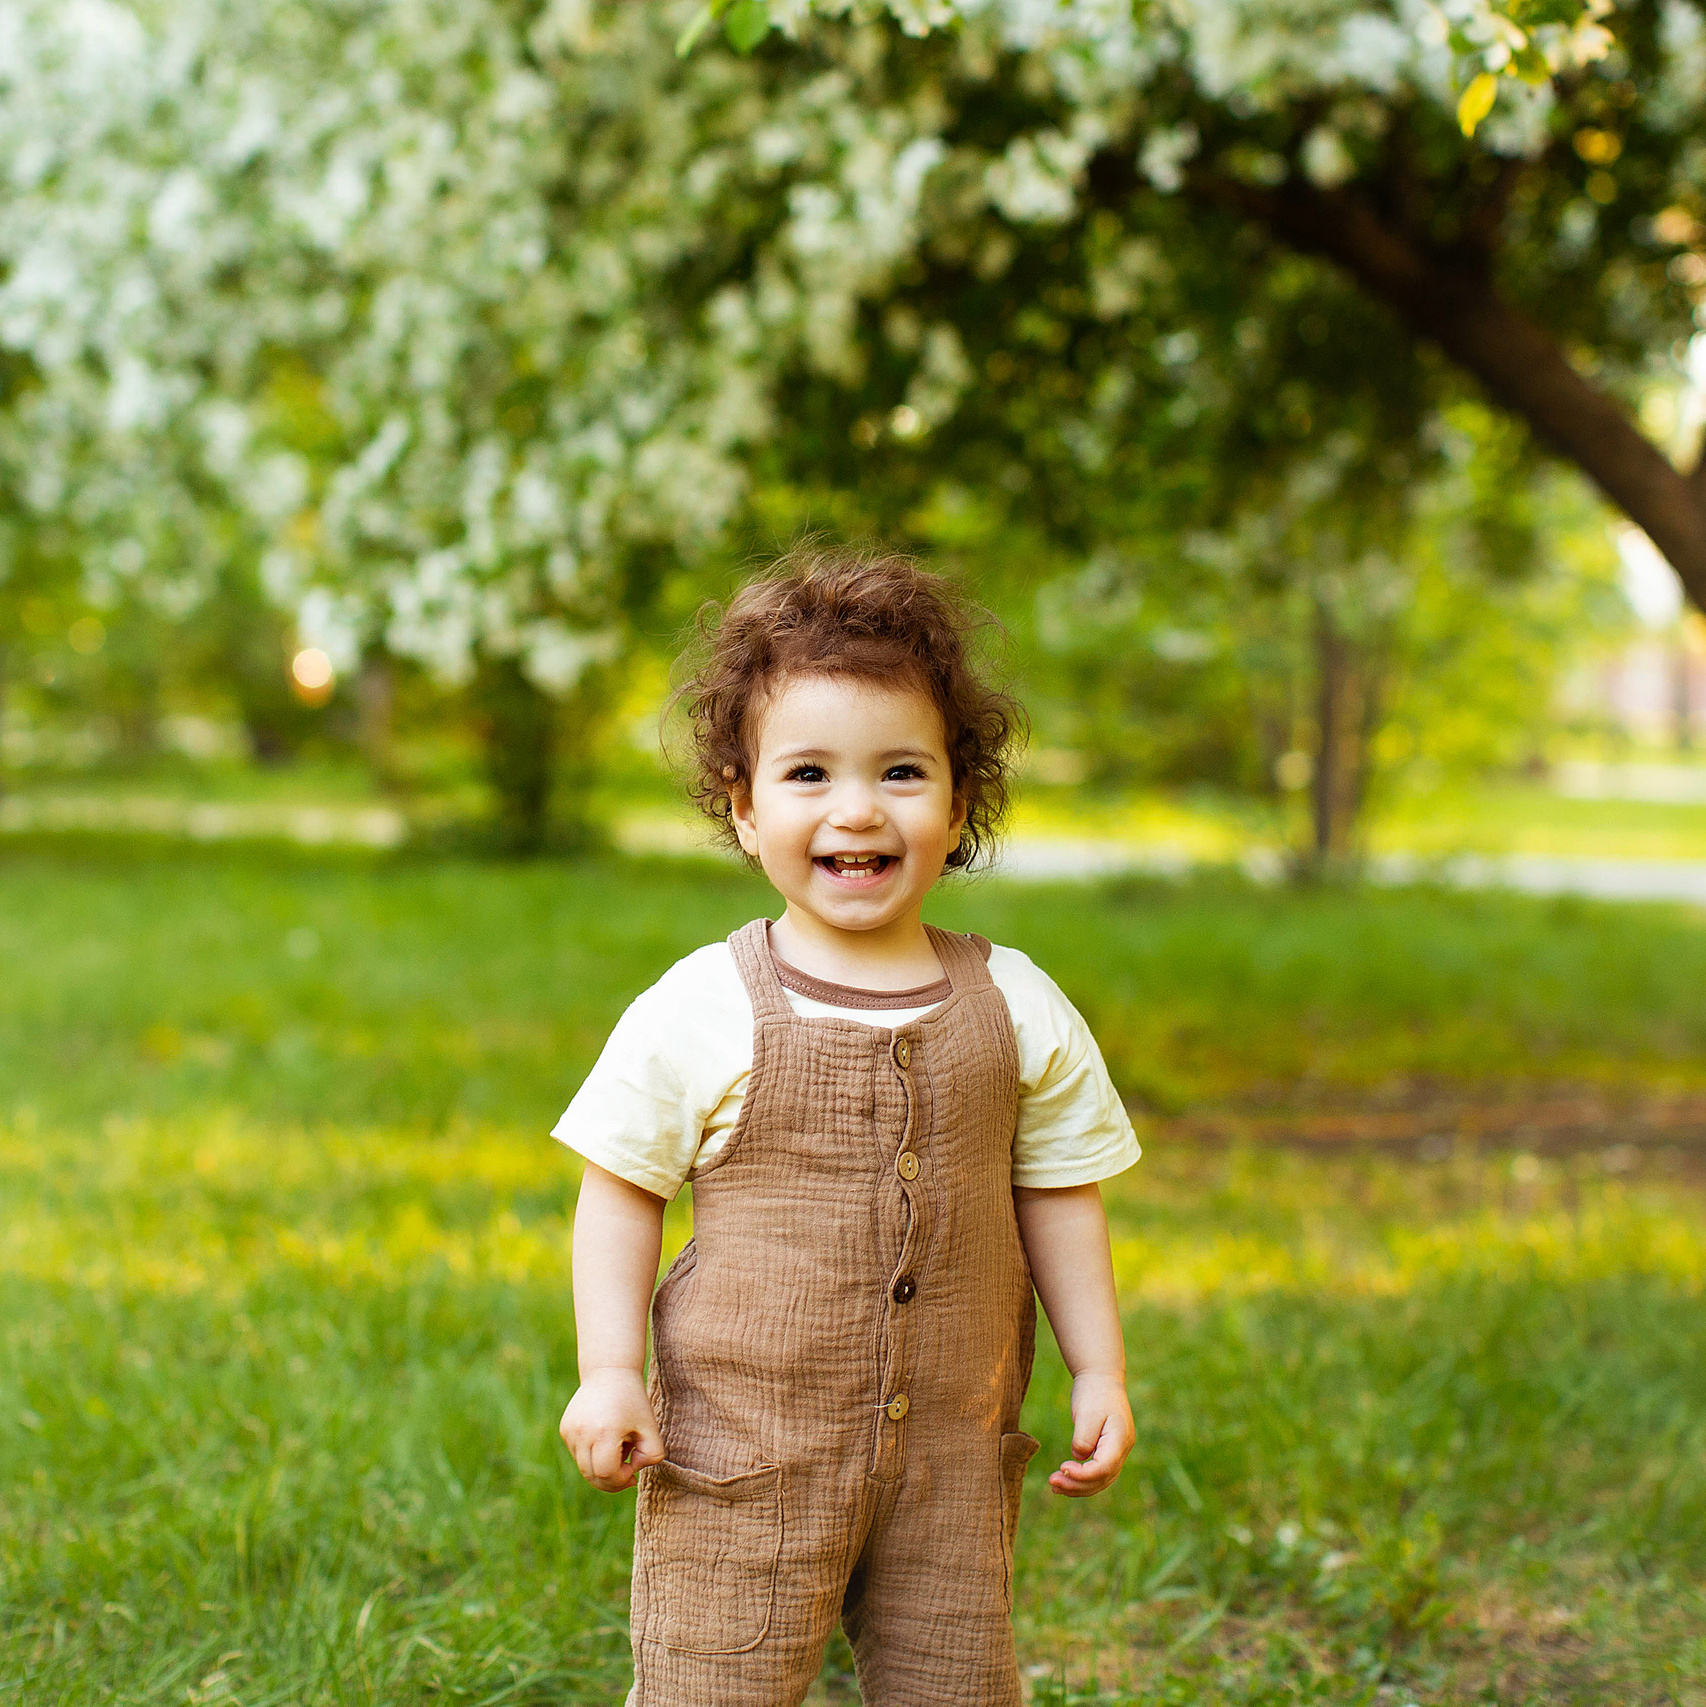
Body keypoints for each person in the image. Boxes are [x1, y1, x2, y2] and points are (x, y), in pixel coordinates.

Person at [555, 545, 1140, 1706]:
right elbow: (620, 1187)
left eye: (902, 772)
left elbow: (1057, 1193)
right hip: (742, 1456)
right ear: (744, 802)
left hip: (951, 1462)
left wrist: (1098, 1367)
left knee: (958, 1686)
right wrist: (609, 1372)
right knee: (711, 1684)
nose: (857, 809)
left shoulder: (1016, 1003)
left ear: (959, 802)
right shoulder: (701, 1006)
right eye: (809, 773)